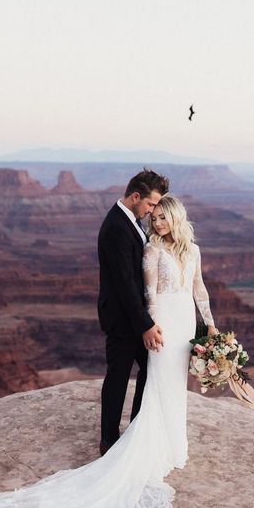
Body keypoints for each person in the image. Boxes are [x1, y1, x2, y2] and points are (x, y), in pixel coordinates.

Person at [0, 194, 218, 508]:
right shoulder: (152, 249)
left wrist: (209, 326)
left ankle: (172, 445)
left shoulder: (192, 250)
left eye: (163, 217)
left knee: (175, 385)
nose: (157, 222)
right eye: (155, 216)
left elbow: (200, 289)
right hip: (161, 322)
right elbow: (147, 294)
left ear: (176, 218)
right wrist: (147, 327)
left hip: (184, 325)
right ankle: (146, 447)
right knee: (157, 384)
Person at [97, 168, 170, 456]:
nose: (153, 212)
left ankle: (137, 431)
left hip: (133, 316)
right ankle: (109, 440)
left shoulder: (130, 221)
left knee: (149, 370)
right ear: (136, 196)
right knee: (118, 376)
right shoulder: (117, 226)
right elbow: (124, 282)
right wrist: (145, 325)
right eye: (151, 205)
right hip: (122, 319)